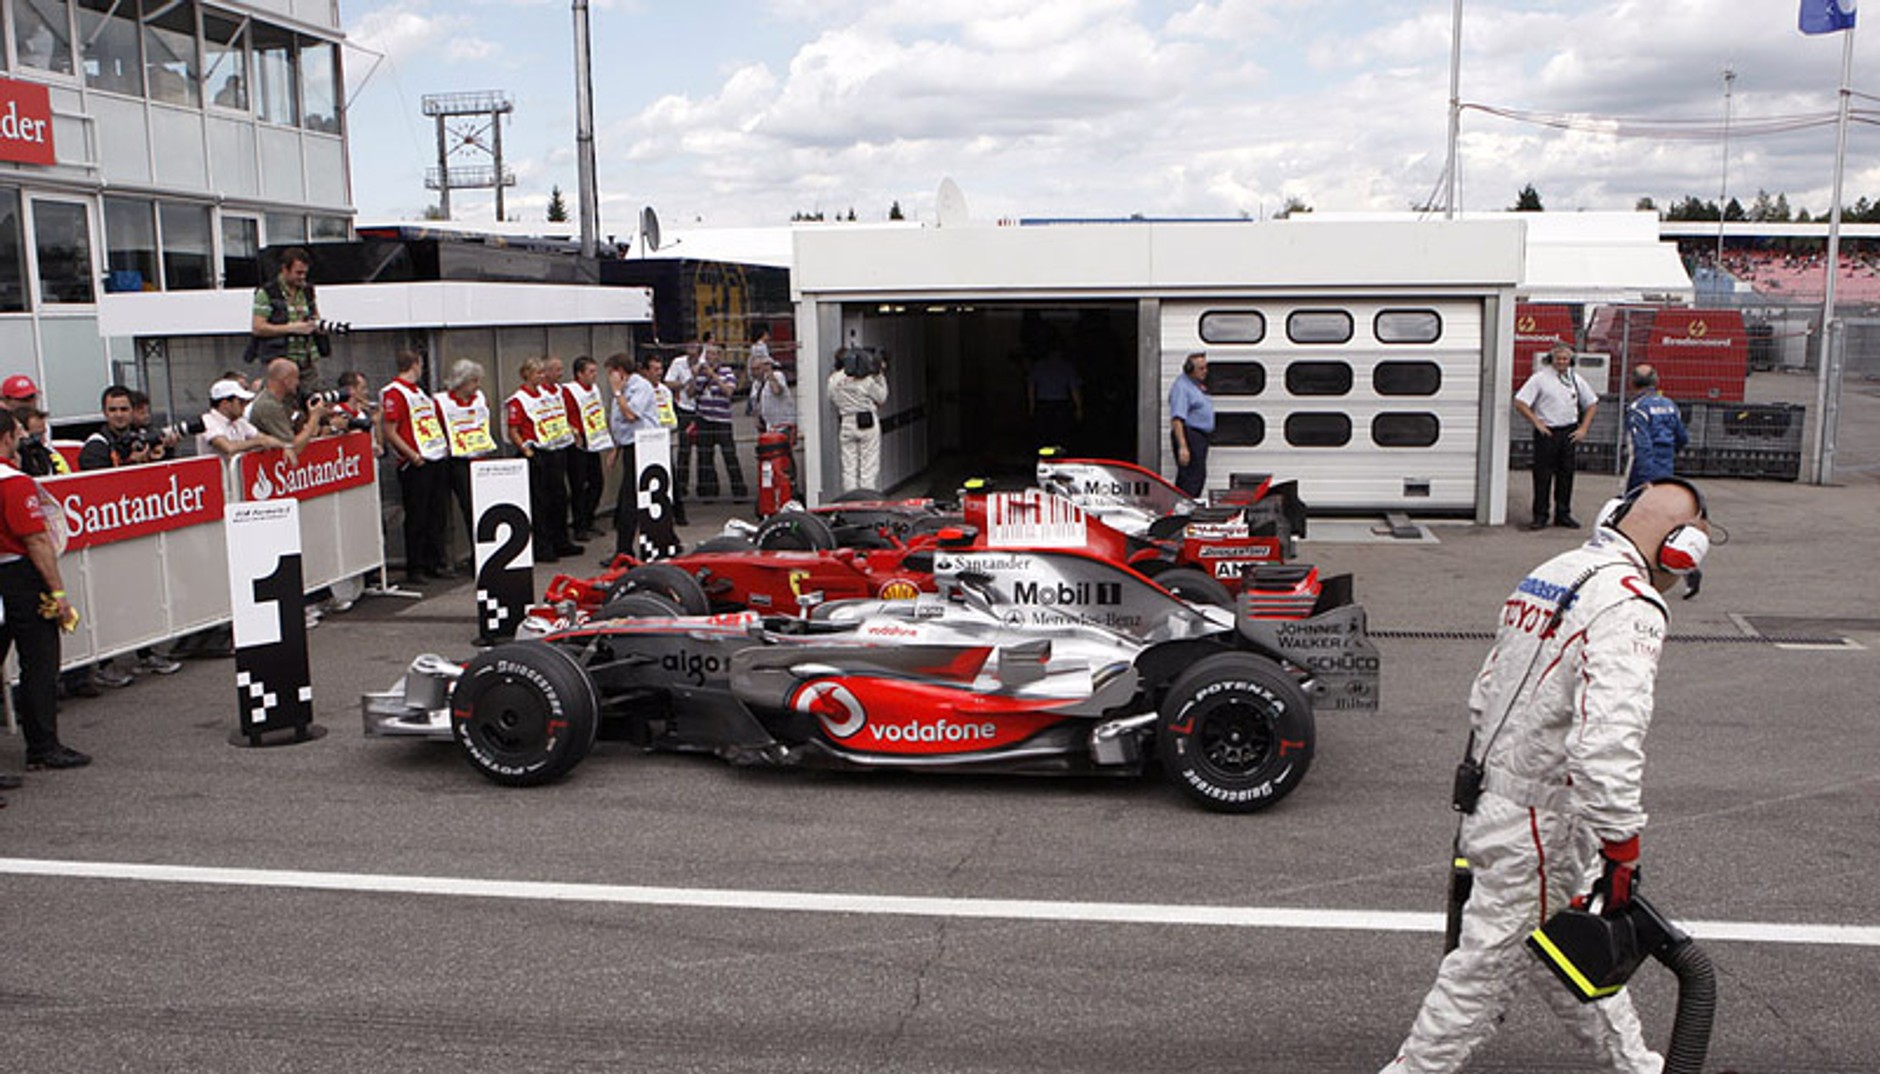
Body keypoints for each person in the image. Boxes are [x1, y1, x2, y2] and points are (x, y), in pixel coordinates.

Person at [1377, 479, 1714, 1074]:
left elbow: (1486, 690)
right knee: (1480, 973)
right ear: (1680, 549)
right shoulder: (1630, 604)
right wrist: (1622, 844)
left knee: (1563, 944)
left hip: (1499, 794)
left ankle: (1638, 1067)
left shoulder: (1556, 570)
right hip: (1541, 819)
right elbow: (1608, 737)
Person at [0, 408, 88, 780]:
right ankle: (43, 746)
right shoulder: (13, 482)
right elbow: (36, 540)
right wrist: (58, 593)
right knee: (39, 661)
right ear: (7, 437)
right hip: (18, 576)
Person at [380, 348, 451, 585]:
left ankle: (435, 561)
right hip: (416, 461)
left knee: (436, 513)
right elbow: (390, 430)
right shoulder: (395, 392)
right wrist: (411, 455)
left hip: (434, 456)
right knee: (417, 515)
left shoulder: (419, 392)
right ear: (416, 364)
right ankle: (416, 566)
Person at [504, 357, 582, 563]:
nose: (542, 376)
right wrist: (525, 449)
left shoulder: (549, 394)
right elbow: (513, 429)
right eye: (538, 373)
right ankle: (543, 546)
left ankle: (561, 540)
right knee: (541, 502)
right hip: (536, 452)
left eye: (542, 373)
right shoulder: (519, 399)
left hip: (555, 448)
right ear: (527, 375)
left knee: (559, 497)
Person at [1514, 343, 1599, 530]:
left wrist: (1583, 428)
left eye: (1565, 359)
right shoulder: (1540, 379)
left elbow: (1592, 403)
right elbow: (1520, 402)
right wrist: (1536, 422)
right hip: (1548, 432)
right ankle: (1540, 515)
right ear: (1551, 360)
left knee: (1566, 474)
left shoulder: (1576, 379)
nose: (1562, 362)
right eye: (1559, 359)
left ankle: (1563, 514)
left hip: (1568, 432)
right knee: (1542, 475)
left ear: (1571, 361)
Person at [435, 359, 499, 559]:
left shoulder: (479, 398)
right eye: (474, 381)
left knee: (481, 508)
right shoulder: (441, 402)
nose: (477, 386)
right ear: (463, 381)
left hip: (479, 458)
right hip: (456, 461)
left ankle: (482, 553)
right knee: (463, 508)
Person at [606, 352, 663, 556]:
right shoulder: (623, 389)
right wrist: (616, 448)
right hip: (629, 445)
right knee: (626, 501)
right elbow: (619, 424)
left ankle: (628, 550)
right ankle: (624, 549)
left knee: (632, 500)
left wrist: (617, 392)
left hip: (644, 446)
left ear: (619, 372)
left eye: (610, 373)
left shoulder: (640, 387)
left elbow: (630, 415)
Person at [248, 247, 325, 388]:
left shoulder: (307, 291)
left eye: (305, 273)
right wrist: (292, 328)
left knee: (313, 400)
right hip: (281, 361)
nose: (302, 277)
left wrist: (317, 326)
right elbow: (258, 327)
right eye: (298, 273)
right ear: (285, 269)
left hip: (308, 361)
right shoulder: (267, 293)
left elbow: (315, 316)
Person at [561, 356, 613, 540]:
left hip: (593, 439)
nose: (594, 376)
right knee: (578, 485)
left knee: (596, 482)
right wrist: (573, 431)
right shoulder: (569, 391)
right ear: (579, 374)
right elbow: (563, 415)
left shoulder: (594, 389)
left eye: (595, 371)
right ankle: (579, 525)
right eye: (590, 372)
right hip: (578, 441)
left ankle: (588, 518)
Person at [827, 347, 889, 493]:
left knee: (849, 467)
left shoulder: (833, 380)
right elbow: (882, 397)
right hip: (867, 422)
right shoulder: (866, 379)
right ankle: (867, 503)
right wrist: (879, 375)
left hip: (846, 422)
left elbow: (833, 399)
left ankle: (850, 502)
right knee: (868, 467)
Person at [249, 358, 328, 463]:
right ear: (286, 381)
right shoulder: (268, 405)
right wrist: (314, 417)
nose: (298, 383)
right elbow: (293, 447)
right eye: (296, 378)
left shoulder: (285, 401)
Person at [1625, 365, 1688, 494]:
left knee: (1633, 503)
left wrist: (1645, 478)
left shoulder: (1637, 408)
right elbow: (1682, 438)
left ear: (1631, 383)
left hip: (1641, 469)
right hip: (1667, 466)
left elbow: (1642, 445)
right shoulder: (1670, 405)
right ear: (1656, 381)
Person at [692, 363, 747, 501]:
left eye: (713, 354)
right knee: (705, 457)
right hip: (704, 419)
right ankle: (708, 492)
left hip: (722, 420)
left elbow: (729, 391)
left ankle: (739, 491)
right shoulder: (701, 373)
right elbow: (691, 392)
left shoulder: (727, 372)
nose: (710, 358)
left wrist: (713, 376)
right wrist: (694, 376)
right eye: (708, 354)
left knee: (729, 455)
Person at [198, 378, 283, 458]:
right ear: (225, 404)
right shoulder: (207, 421)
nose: (245, 405)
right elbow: (228, 448)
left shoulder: (239, 422)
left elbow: (262, 437)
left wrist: (284, 447)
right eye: (241, 402)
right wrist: (259, 442)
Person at [749, 350, 798, 489]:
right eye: (753, 369)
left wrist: (770, 374)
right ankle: (775, 483)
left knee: (785, 454)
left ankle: (791, 483)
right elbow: (755, 404)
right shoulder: (756, 384)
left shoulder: (777, 376)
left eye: (757, 368)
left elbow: (777, 390)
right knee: (771, 456)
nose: (754, 372)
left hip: (783, 424)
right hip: (768, 426)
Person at [1168, 351, 1214, 499]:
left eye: (1206, 368)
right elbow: (1177, 419)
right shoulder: (1182, 387)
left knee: (1196, 476)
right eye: (1201, 368)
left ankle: (1184, 510)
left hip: (1199, 437)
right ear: (1189, 369)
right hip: (1189, 435)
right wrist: (1183, 446)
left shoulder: (1197, 386)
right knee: (1191, 479)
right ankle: (1183, 512)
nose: (1205, 372)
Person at [1027, 348, 1084, 450]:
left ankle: (1047, 459)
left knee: (1045, 436)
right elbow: (1074, 389)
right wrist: (1079, 408)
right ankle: (1059, 457)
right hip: (1060, 405)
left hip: (1044, 405)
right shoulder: (1066, 367)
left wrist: (1032, 406)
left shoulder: (1039, 366)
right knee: (1060, 436)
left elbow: (1031, 387)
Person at [664, 342, 700, 504]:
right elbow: (668, 383)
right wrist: (687, 380)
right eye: (690, 349)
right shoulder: (678, 363)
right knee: (684, 449)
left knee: (705, 449)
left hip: (704, 409)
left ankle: (706, 488)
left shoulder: (705, 362)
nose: (693, 353)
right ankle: (682, 486)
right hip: (684, 408)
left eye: (696, 350)